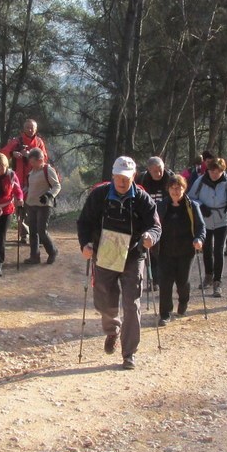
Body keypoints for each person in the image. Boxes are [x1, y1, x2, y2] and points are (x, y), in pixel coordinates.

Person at [77, 156, 162, 370]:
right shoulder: (99, 195)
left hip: (133, 254)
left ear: (133, 177)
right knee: (104, 297)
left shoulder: (142, 198)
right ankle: (112, 329)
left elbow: (155, 226)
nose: (122, 182)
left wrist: (151, 236)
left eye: (126, 178)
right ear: (112, 176)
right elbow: (84, 222)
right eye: (118, 178)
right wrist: (85, 245)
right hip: (105, 252)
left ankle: (129, 353)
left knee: (131, 303)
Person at [154, 175, 205, 325]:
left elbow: (201, 226)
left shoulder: (192, 206)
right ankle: (165, 313)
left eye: (179, 188)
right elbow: (154, 225)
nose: (175, 191)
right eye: (172, 188)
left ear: (184, 188)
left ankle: (183, 301)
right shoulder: (161, 206)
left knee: (183, 281)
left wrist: (199, 239)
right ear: (168, 189)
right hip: (165, 251)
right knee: (165, 282)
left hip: (186, 251)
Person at [188, 156, 227, 298]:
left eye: (217, 171)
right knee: (206, 249)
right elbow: (190, 198)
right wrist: (200, 206)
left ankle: (218, 281)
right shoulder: (200, 181)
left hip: (222, 219)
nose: (214, 174)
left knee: (219, 249)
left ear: (222, 171)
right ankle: (208, 276)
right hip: (205, 220)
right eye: (212, 171)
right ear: (208, 170)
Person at [0, 119, 48, 243]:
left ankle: (37, 234)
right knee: (20, 208)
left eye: (32, 128)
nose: (30, 130)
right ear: (23, 128)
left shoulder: (39, 142)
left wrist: (29, 154)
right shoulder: (16, 142)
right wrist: (12, 153)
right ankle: (24, 235)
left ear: (36, 129)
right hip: (19, 181)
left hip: (36, 181)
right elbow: (2, 154)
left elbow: (45, 159)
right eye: (27, 127)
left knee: (35, 207)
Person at [137, 157, 176, 287]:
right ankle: (153, 279)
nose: (158, 173)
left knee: (165, 250)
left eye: (160, 170)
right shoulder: (142, 180)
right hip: (149, 220)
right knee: (151, 249)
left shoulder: (171, 178)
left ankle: (165, 277)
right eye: (155, 171)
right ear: (148, 170)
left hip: (167, 220)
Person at [23, 147, 60, 264]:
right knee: (33, 231)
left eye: (33, 162)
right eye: (30, 162)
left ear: (40, 160)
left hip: (44, 205)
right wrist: (20, 196)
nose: (31, 164)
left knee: (42, 231)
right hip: (31, 204)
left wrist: (49, 195)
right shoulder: (31, 173)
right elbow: (28, 187)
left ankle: (52, 251)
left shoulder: (48, 170)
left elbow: (57, 186)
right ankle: (34, 257)